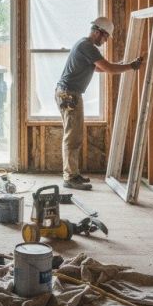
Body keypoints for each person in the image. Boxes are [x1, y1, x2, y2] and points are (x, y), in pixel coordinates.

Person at [56, 17, 143, 191]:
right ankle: (70, 177)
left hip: (69, 93)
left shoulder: (85, 46)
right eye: (105, 37)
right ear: (97, 32)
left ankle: (73, 173)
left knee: (75, 135)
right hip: (69, 94)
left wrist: (121, 65)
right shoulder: (87, 46)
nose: (105, 41)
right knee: (72, 137)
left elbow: (98, 67)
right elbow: (108, 69)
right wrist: (131, 66)